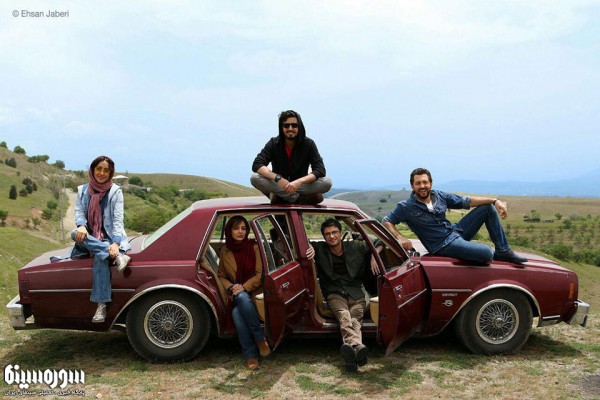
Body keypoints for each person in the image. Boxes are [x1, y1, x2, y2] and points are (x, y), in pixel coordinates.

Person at [382, 168, 528, 265]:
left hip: (455, 231)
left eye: (425, 182)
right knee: (486, 253)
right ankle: (487, 252)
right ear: (412, 186)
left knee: (488, 208)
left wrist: (495, 201)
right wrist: (400, 237)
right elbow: (387, 220)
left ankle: (503, 251)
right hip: (442, 245)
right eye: (418, 183)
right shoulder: (406, 207)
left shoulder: (439, 195)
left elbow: (466, 201)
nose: (422, 186)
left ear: (430, 183)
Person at [307, 218, 381, 372]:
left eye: (334, 232)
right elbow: (301, 242)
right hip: (334, 291)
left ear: (340, 233)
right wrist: (309, 246)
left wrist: (375, 255)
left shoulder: (355, 246)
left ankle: (352, 354)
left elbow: (380, 240)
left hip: (356, 289)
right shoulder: (320, 249)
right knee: (344, 315)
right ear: (324, 236)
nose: (331, 236)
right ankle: (357, 347)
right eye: (327, 234)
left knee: (355, 316)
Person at [71, 155, 131, 323]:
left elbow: (118, 220)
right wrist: (81, 225)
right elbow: (79, 212)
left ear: (111, 173)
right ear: (92, 169)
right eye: (99, 169)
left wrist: (115, 243)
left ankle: (101, 305)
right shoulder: (82, 190)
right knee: (74, 233)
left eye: (106, 170)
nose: (102, 173)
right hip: (89, 237)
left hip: (108, 238)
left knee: (100, 257)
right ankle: (119, 256)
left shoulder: (115, 191)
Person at [217, 216, 271, 370]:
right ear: (229, 231)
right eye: (236, 228)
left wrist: (244, 287)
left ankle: (251, 355)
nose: (240, 232)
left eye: (243, 228)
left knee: (236, 313)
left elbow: (260, 274)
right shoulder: (225, 251)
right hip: (235, 293)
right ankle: (260, 339)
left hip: (254, 291)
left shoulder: (254, 247)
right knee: (240, 297)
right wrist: (231, 287)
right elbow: (221, 276)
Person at [251, 110, 332, 204]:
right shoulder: (273, 143)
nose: (290, 128)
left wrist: (298, 182)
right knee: (255, 178)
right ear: (281, 127)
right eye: (286, 125)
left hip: (301, 186)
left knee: (327, 182)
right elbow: (257, 164)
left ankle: (282, 197)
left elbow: (320, 170)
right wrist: (278, 178)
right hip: (280, 185)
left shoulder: (308, 144)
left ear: (299, 126)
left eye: (294, 125)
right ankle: (296, 198)